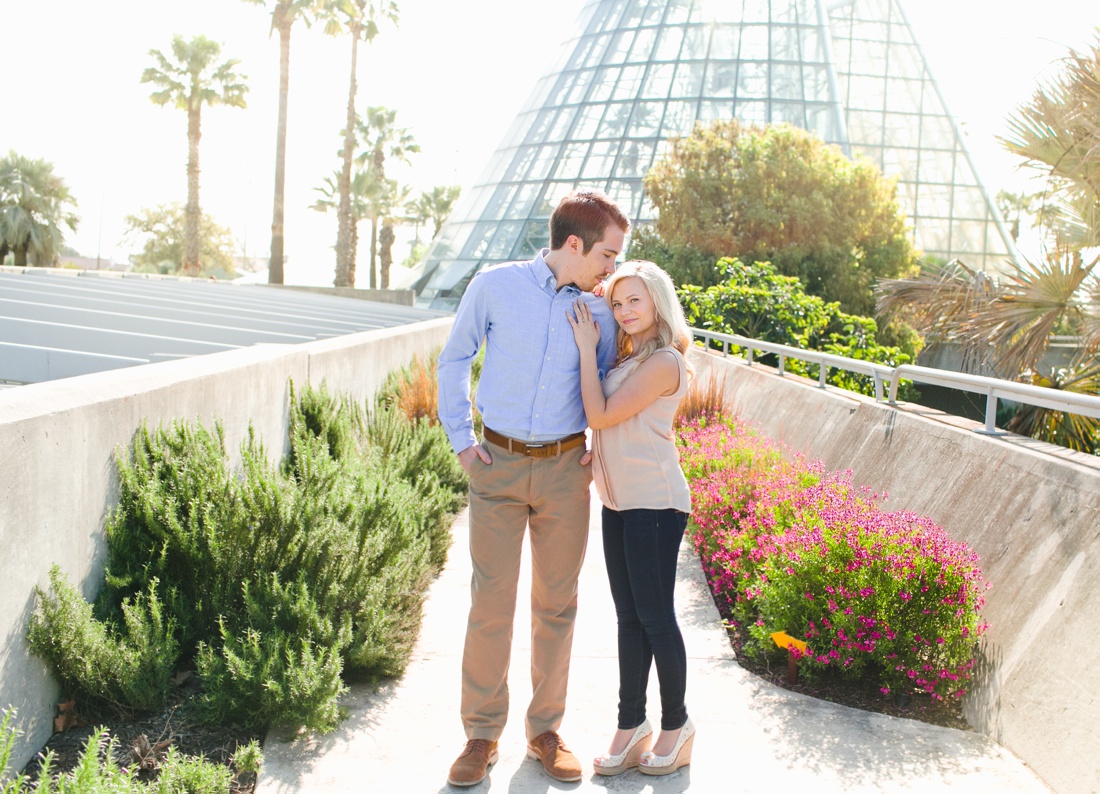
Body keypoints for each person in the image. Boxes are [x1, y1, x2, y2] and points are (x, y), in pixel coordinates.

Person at [438, 191, 629, 787]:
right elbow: (454, 358)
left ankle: (545, 729)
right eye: (607, 253)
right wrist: (462, 440)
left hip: (565, 471)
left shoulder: (599, 312)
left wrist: (603, 454)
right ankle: (481, 734)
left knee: (557, 604)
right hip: (496, 464)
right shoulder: (494, 286)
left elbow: (608, 383)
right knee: (490, 603)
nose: (612, 268)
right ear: (574, 244)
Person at [566, 260, 696, 777]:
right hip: (619, 503)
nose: (622, 311)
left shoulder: (665, 361)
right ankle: (631, 726)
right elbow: (610, 427)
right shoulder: (631, 358)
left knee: (656, 618)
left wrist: (582, 345)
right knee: (629, 620)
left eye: (634, 300)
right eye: (617, 304)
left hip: (656, 503)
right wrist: (596, 456)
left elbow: (600, 414)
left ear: (659, 301)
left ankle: (676, 727)